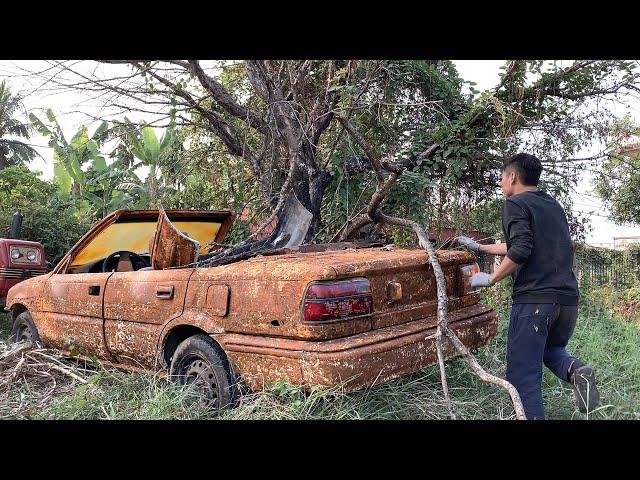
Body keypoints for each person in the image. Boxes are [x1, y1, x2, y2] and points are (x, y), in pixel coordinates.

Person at [456, 153, 599, 420]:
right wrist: (480, 247)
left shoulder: (515, 204)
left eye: (501, 179)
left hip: (535, 302)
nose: (501, 186)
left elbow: (521, 249)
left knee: (522, 376)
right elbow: (522, 246)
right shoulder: (552, 205)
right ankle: (576, 370)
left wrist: (490, 278)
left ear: (512, 177)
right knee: (550, 350)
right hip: (567, 301)